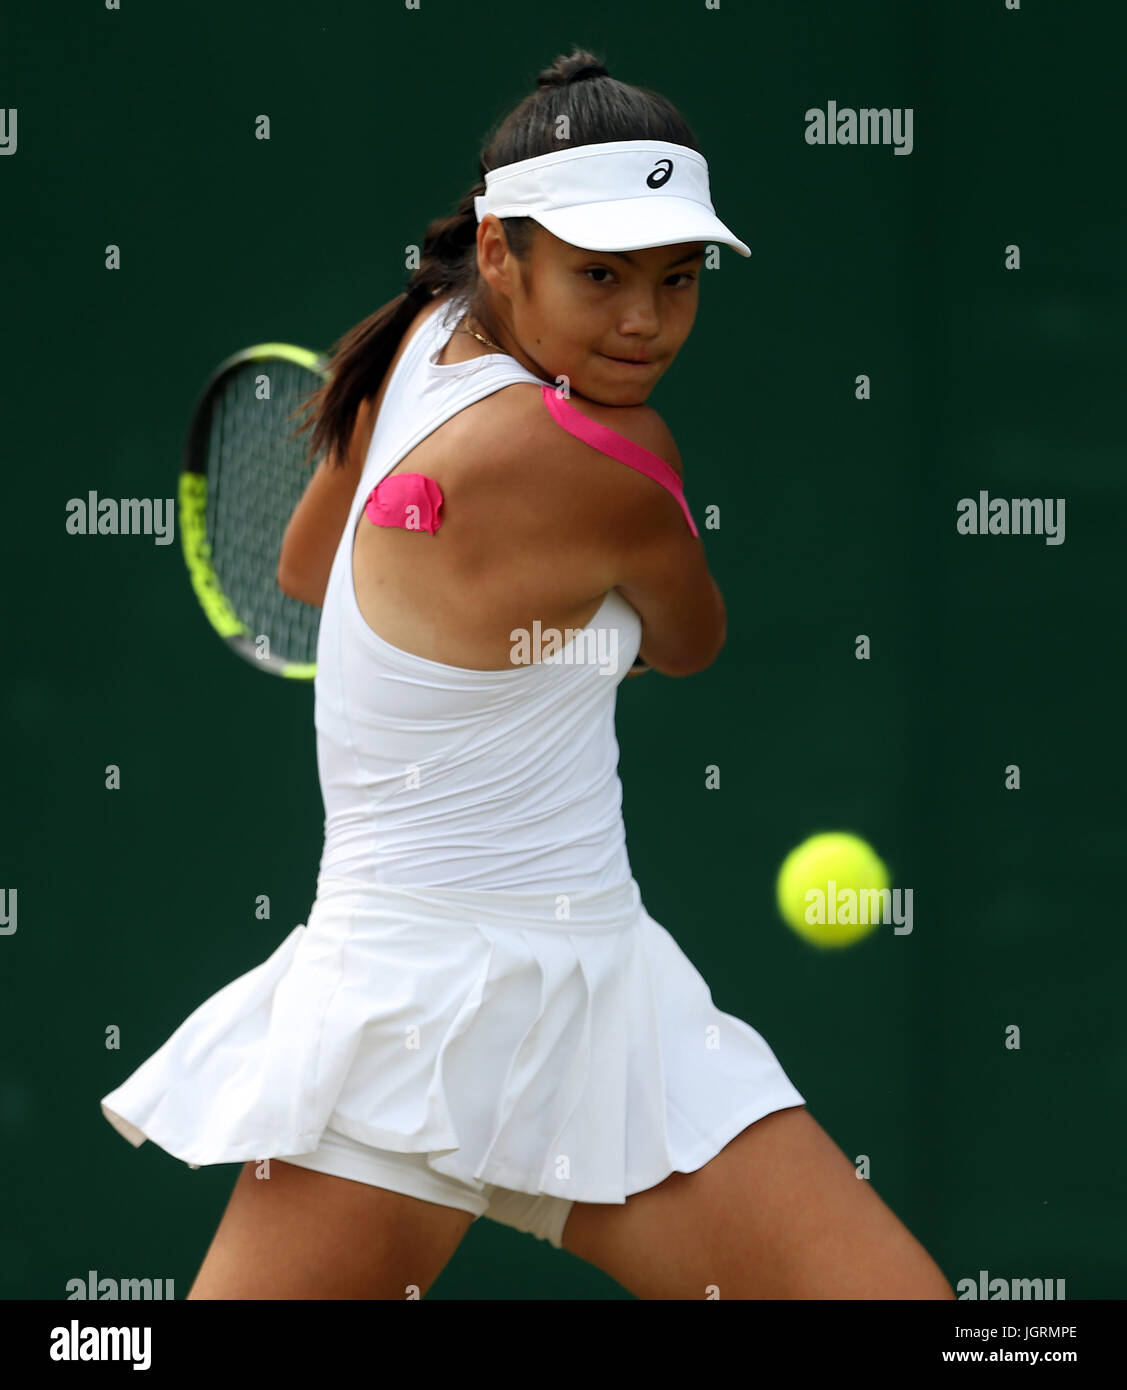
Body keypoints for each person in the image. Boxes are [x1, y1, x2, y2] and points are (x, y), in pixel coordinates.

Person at [100, 48, 954, 1301]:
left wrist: (446, 627)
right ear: (500, 248)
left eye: (677, 277)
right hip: (414, 1018)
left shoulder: (416, 338)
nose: (644, 321)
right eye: (599, 274)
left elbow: (298, 568)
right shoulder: (612, 459)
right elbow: (688, 642)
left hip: (599, 1005)